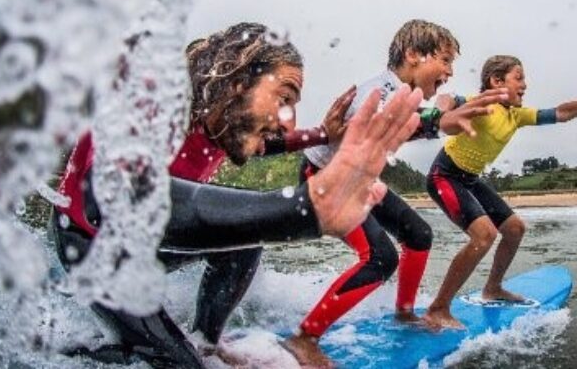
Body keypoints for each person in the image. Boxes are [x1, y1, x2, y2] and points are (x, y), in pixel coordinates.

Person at [51, 22, 423, 369]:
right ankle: (60, 352)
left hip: (148, 243)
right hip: (94, 246)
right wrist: (305, 207)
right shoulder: (157, 100)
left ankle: (206, 340)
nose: (287, 119)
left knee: (245, 242)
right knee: (180, 364)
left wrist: (323, 135)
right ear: (236, 79)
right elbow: (111, 199)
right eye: (284, 96)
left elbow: (271, 144)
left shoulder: (221, 121)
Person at [286, 20, 509, 366]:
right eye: (445, 60)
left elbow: (407, 122)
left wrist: (438, 118)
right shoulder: (378, 91)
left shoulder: (405, 95)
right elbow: (380, 121)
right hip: (325, 178)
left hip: (358, 179)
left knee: (418, 234)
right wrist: (437, 121)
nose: (450, 71)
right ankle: (304, 338)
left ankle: (404, 313)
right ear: (414, 55)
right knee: (380, 257)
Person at [422, 55, 577, 329]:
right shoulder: (482, 102)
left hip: (469, 178)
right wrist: (438, 114)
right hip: (444, 175)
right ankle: (438, 308)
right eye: (519, 78)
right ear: (496, 81)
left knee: (515, 228)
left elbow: (562, 113)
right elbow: (447, 98)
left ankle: (492, 288)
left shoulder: (515, 115)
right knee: (484, 235)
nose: (525, 85)